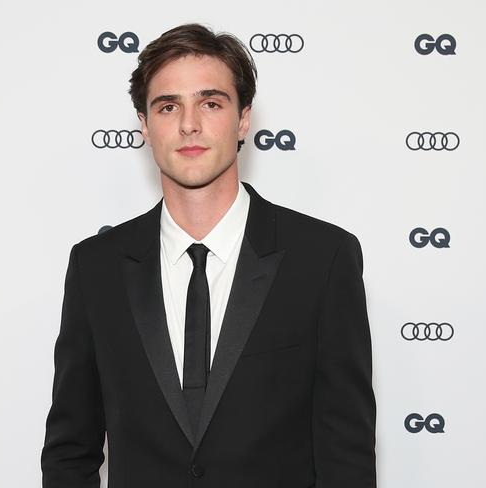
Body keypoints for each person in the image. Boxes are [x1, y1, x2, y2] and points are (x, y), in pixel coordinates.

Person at [41, 23, 376, 488]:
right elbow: (69, 451)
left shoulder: (322, 259)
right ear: (144, 125)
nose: (189, 124)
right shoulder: (96, 268)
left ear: (242, 119)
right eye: (168, 106)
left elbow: (347, 456)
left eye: (211, 103)